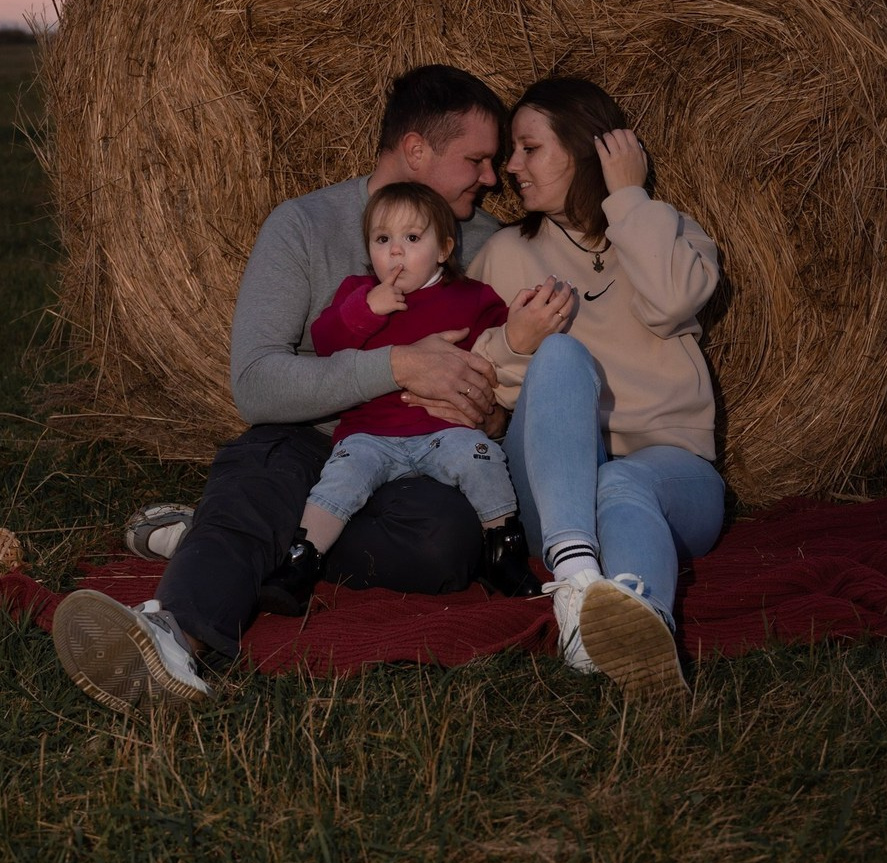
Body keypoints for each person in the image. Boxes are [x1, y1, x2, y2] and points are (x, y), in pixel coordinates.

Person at [52, 65, 511, 713]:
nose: (491, 178)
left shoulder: (487, 246)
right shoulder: (302, 226)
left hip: (416, 460)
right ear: (416, 151)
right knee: (262, 464)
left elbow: (516, 379)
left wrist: (489, 415)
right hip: (306, 444)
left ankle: (230, 539)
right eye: (476, 160)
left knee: (447, 547)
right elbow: (258, 384)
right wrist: (398, 366)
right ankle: (172, 636)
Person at [467, 76, 724, 699]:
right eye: (511, 152)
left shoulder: (664, 231)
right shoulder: (505, 254)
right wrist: (517, 342)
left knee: (622, 480)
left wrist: (629, 197)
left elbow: (671, 302)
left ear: (589, 149)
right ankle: (578, 576)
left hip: (673, 475)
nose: (510, 167)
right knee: (558, 353)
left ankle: (640, 633)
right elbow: (470, 390)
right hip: (555, 497)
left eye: (530, 149)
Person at [258, 180, 539, 615]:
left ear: (444, 248)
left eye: (412, 238)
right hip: (369, 432)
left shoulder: (471, 296)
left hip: (443, 431)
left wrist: (520, 332)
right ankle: (303, 559)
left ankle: (504, 548)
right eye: (382, 239)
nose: (395, 252)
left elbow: (499, 350)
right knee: (340, 480)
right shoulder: (357, 293)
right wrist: (367, 307)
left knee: (481, 457)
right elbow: (326, 342)